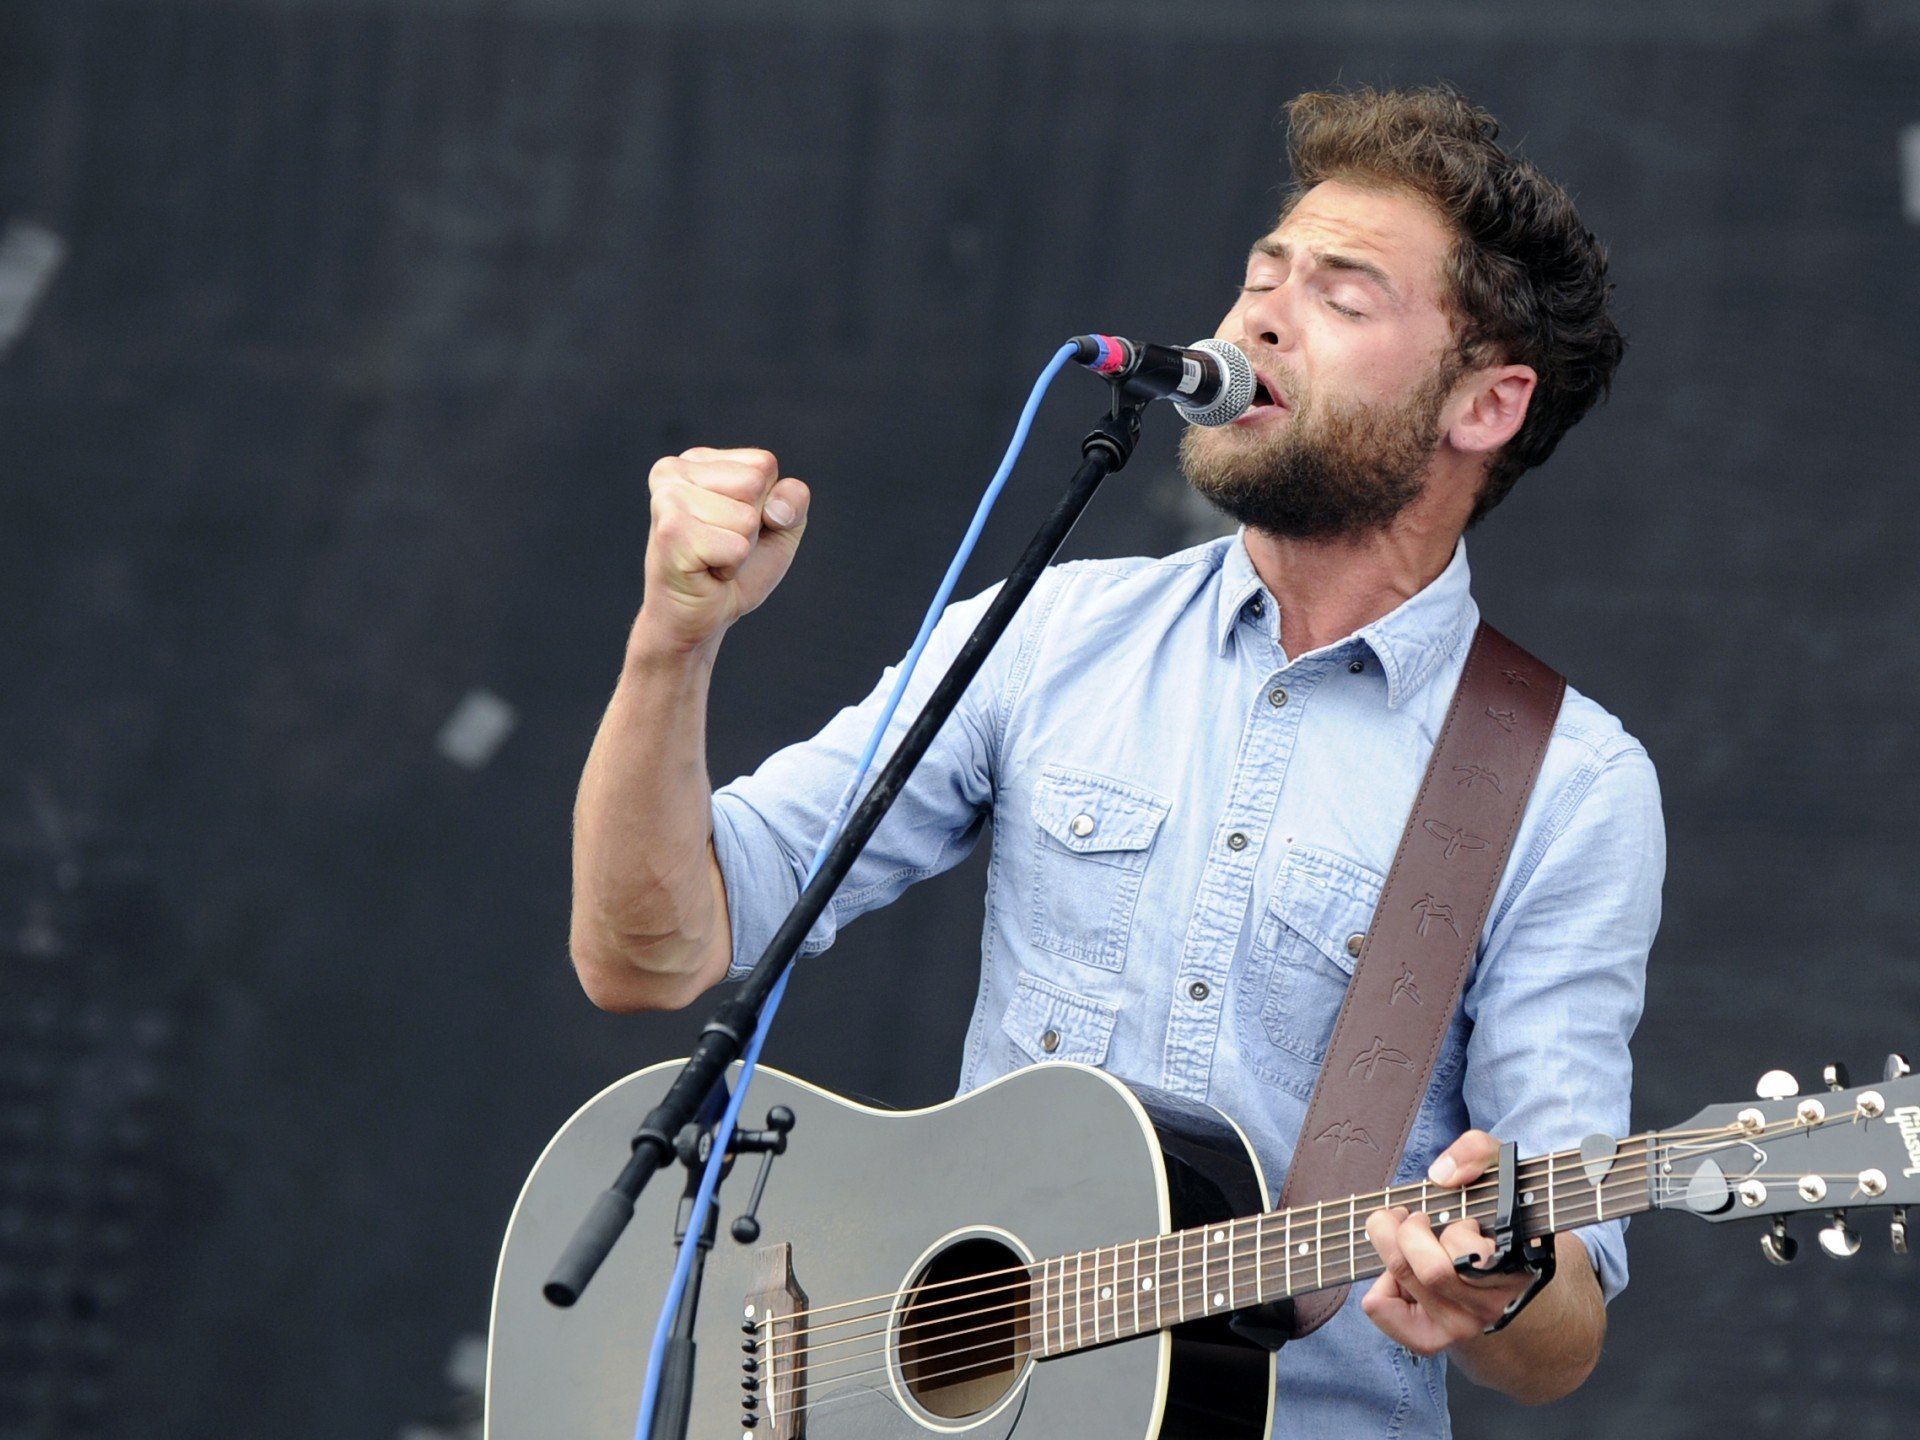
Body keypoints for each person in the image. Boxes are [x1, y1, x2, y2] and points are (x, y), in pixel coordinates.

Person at [567, 84, 1664, 1432]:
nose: (1255, 316)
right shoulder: (1049, 637)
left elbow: (1561, 1331)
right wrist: (671, 643)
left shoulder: (1565, 783)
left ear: (1486, 406)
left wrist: (1495, 1287)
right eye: (1263, 273)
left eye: (1343, 293)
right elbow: (654, 955)